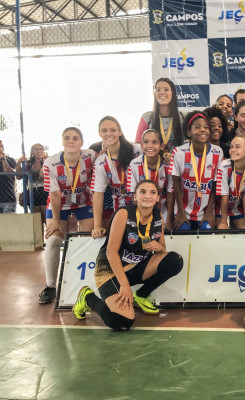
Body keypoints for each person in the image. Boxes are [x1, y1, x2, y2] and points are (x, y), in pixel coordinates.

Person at [72, 180, 183, 331]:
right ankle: (87, 297)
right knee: (122, 322)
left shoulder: (158, 216)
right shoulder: (124, 213)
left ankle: (141, 296)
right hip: (110, 270)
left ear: (158, 198)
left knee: (175, 261)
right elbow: (111, 252)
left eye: (152, 192)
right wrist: (124, 285)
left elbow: (162, 248)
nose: (147, 196)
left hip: (136, 266)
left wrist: (158, 247)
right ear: (135, 197)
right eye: (142, 192)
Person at [40, 127, 96, 304]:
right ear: (62, 141)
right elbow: (55, 194)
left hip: (84, 202)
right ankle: (50, 286)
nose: (71, 141)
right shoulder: (51, 162)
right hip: (59, 205)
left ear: (82, 142)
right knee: (53, 240)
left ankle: (89, 282)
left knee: (89, 239)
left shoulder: (91, 156)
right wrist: (56, 221)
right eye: (67, 138)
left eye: (75, 138)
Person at [91, 116, 142, 239]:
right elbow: (98, 194)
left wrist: (166, 156)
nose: (109, 134)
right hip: (119, 207)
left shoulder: (138, 150)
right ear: (99, 134)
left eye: (113, 130)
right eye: (104, 130)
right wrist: (97, 226)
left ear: (120, 132)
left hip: (143, 203)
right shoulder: (100, 161)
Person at [171, 111, 223, 230]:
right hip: (183, 210)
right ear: (188, 132)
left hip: (206, 211)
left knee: (207, 231)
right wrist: (180, 212)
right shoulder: (178, 152)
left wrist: (209, 212)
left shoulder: (217, 152)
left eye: (206, 127)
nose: (202, 130)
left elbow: (215, 185)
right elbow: (176, 184)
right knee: (184, 231)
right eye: (197, 127)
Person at [126, 129, 174, 230]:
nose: (150, 145)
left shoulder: (168, 164)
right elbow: (133, 195)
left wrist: (170, 220)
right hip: (141, 212)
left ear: (161, 146)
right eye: (146, 142)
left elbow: (171, 193)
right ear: (141, 145)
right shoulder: (134, 164)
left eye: (155, 142)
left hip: (163, 212)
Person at [216, 135, 245, 229]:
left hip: (238, 208)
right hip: (220, 208)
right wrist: (223, 222)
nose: (233, 150)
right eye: (231, 147)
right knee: (222, 232)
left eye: (237, 147)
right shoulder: (224, 165)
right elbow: (224, 195)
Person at [135, 77, 183, 151]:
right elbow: (138, 145)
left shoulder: (182, 117)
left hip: (178, 158)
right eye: (158, 90)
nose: (162, 92)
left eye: (166, 89)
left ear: (172, 92)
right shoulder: (147, 118)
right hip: (153, 158)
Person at [15, 143, 48, 234]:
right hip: (32, 191)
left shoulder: (47, 161)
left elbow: (45, 176)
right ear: (32, 152)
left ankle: (50, 239)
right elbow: (18, 176)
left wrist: (45, 162)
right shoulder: (28, 163)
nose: (39, 151)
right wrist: (19, 163)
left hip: (44, 190)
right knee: (37, 218)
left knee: (46, 215)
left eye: (41, 149)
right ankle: (40, 240)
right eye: (36, 149)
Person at [0, 140, 17, 213]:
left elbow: (10, 175)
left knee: (9, 220)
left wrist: (3, 159)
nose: (1, 148)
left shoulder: (10, 160)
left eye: (2, 146)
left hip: (8, 199)